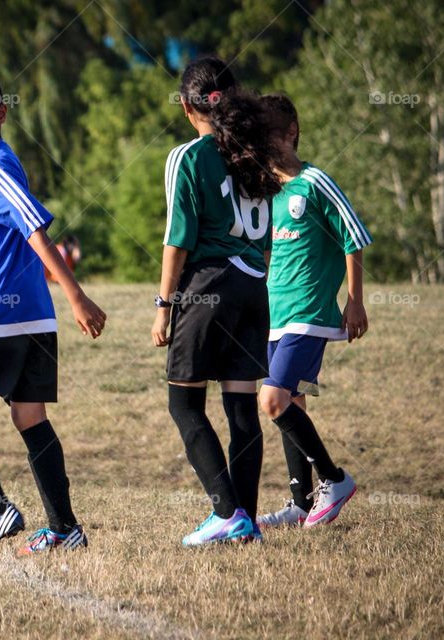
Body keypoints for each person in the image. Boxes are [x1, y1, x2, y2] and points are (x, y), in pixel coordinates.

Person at [0, 69, 106, 554]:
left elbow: (35, 232)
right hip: (32, 315)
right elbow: (3, 253)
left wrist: (76, 295)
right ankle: (64, 528)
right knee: (30, 415)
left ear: (1, 113)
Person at [151, 56, 281, 546]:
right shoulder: (254, 152)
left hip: (209, 286)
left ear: (187, 108)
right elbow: (265, 238)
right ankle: (245, 520)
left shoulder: (187, 156)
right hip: (254, 284)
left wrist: (164, 305)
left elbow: (177, 241)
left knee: (183, 403)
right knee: (241, 410)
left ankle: (227, 513)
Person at [256, 94, 370, 529]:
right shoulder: (267, 191)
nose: (263, 145)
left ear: (291, 132)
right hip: (276, 316)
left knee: (272, 400)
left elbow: (353, 236)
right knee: (294, 401)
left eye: (270, 135)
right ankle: (300, 504)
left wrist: (355, 300)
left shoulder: (315, 181)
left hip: (309, 314)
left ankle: (334, 479)